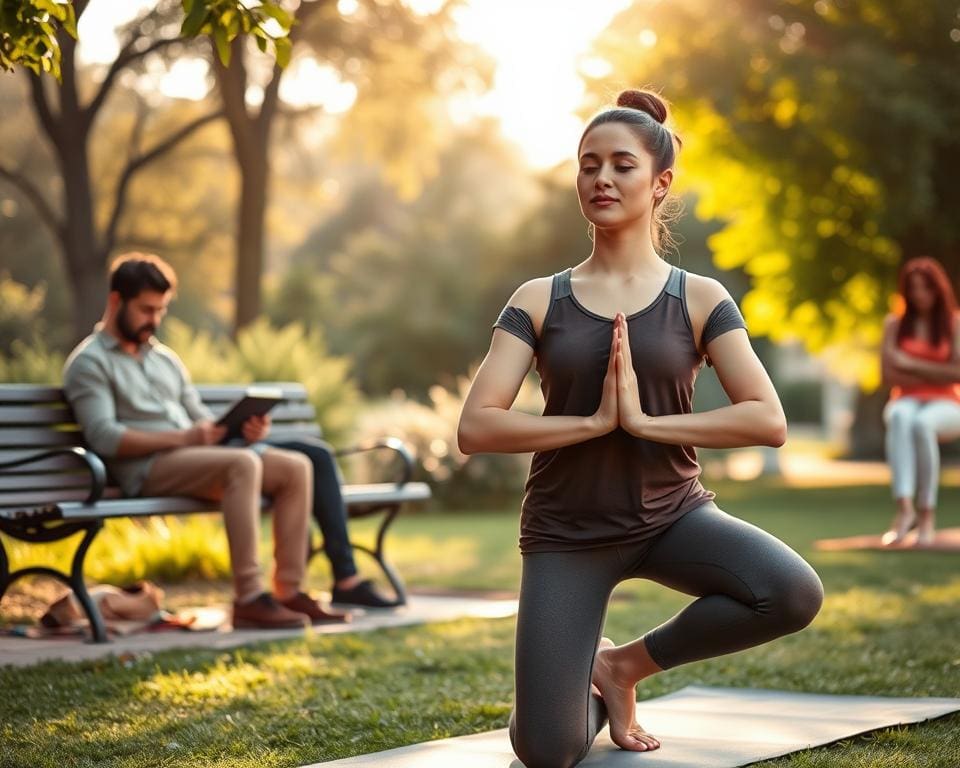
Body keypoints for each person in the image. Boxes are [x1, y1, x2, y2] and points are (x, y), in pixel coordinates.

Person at [457, 90, 824, 768]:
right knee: (548, 751)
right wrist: (594, 422)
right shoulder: (538, 299)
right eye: (588, 165)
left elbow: (767, 418)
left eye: (622, 165)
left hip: (672, 517)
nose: (601, 178)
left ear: (660, 183)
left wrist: (647, 424)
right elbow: (476, 427)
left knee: (792, 591)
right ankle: (582, 691)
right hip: (567, 530)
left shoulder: (701, 298)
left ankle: (621, 666)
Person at [63, 253, 349, 629]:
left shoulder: (164, 360)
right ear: (116, 301)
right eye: (146, 309)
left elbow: (200, 419)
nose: (154, 320)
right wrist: (185, 438)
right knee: (242, 463)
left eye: (161, 310)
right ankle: (249, 597)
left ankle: (289, 592)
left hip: (196, 457)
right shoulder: (90, 362)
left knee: (296, 466)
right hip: (144, 469)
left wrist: (241, 431)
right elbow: (104, 437)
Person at [880, 256, 960, 547]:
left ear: (938, 289)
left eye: (925, 288)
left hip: (947, 403)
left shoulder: (953, 324)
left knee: (922, 424)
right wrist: (938, 372)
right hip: (906, 399)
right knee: (900, 417)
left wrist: (909, 363)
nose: (919, 295)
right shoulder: (894, 324)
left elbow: (958, 374)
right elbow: (888, 375)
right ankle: (905, 510)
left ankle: (927, 514)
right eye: (913, 288)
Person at [263, 436, 398, 607]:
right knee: (315, 457)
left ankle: (346, 578)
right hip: (237, 449)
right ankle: (343, 579)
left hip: (253, 443)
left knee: (320, 455)